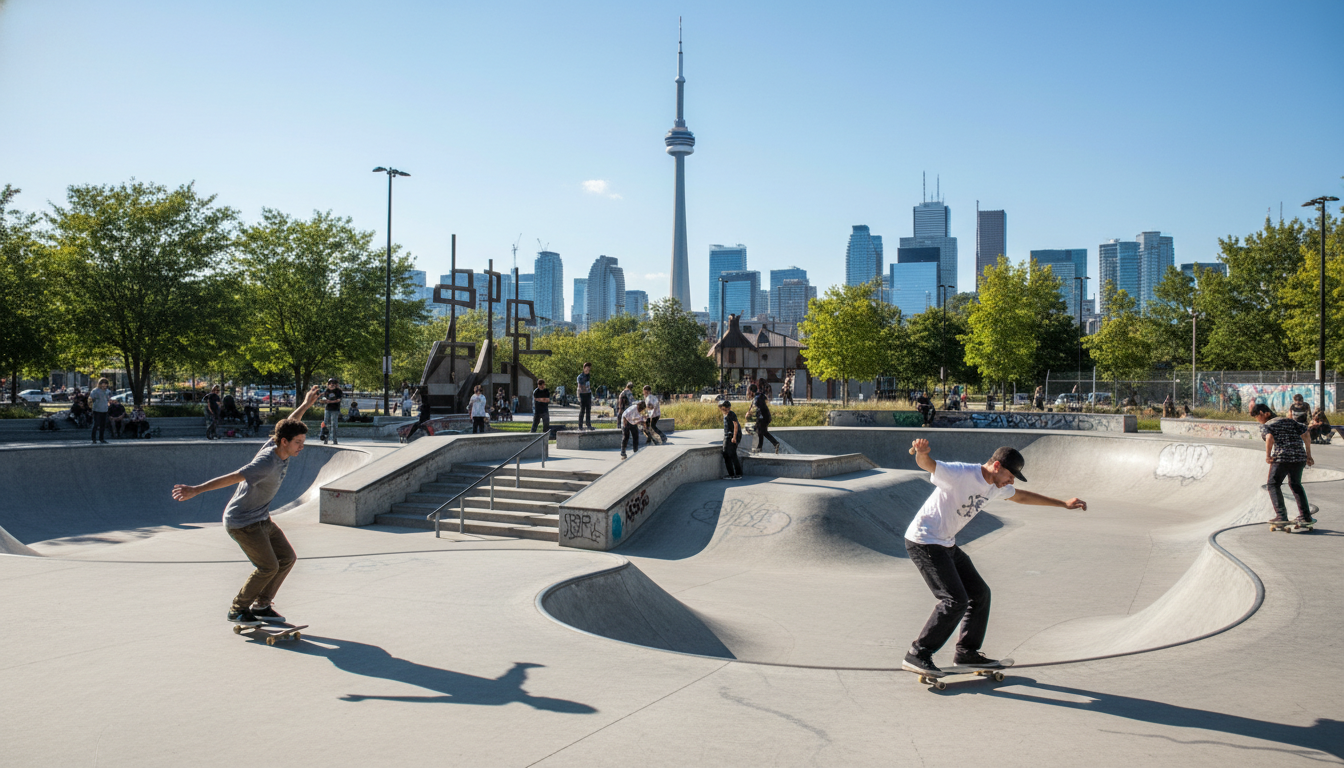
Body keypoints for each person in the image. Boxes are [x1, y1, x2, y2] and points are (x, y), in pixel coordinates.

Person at [901, 440, 1088, 678]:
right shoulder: (961, 473)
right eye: (1010, 476)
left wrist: (1062, 504)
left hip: (946, 543)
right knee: (955, 600)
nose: (1011, 482)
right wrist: (922, 453)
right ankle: (918, 653)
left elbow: (1021, 497)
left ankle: (966, 653)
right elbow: (928, 465)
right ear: (997, 466)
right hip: (924, 541)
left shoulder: (996, 486)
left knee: (980, 594)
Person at [172, 385, 323, 626]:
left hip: (261, 518)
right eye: (298, 443)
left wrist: (305, 405)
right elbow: (234, 476)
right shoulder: (266, 462)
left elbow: (289, 424)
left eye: (302, 442)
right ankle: (238, 609)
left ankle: (262, 605)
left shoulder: (277, 443)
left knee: (287, 558)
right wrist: (196, 490)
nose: (301, 447)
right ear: (285, 442)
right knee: (268, 566)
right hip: (242, 522)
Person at [1251, 403, 1315, 527]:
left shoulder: (1267, 425)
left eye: (1257, 417)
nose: (1258, 420)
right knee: (1295, 484)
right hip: (1299, 457)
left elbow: (1269, 437)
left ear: (1264, 414)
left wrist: (1268, 455)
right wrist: (1308, 455)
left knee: (1273, 484)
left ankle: (1281, 516)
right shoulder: (1290, 421)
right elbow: (1306, 434)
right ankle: (1306, 517)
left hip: (1282, 457)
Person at [748, 378, 780, 454]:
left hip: (763, 418)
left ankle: (773, 443)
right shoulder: (759, 396)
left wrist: (751, 415)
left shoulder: (756, 398)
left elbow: (756, 409)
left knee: (762, 431)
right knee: (761, 432)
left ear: (751, 392)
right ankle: (764, 446)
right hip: (766, 417)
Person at [718, 400, 743, 479]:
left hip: (732, 436)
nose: (726, 410)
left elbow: (736, 425)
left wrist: (734, 437)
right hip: (729, 435)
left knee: (728, 453)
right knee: (731, 454)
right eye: (724, 409)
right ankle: (735, 474)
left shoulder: (731, 414)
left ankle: (734, 474)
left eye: (727, 409)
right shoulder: (725, 414)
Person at [319, 378, 343, 445]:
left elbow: (338, 400)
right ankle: (325, 438)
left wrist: (331, 401)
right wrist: (323, 401)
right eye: (330, 383)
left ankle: (334, 439)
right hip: (328, 409)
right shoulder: (327, 391)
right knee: (325, 423)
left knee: (334, 424)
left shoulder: (338, 391)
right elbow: (325, 398)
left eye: (333, 383)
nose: (332, 384)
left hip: (335, 409)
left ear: (336, 384)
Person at [88, 378, 112, 444]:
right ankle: (93, 438)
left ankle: (101, 438)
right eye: (103, 384)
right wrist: (91, 405)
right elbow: (91, 398)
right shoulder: (95, 391)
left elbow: (109, 399)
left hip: (104, 409)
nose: (104, 386)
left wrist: (109, 402)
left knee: (103, 425)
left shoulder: (107, 391)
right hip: (97, 409)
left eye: (106, 384)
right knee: (96, 424)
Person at [576, 363, 594, 431]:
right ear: (584, 368)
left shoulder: (588, 376)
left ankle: (588, 424)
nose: (588, 370)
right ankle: (580, 426)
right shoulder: (580, 376)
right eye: (587, 368)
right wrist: (584, 389)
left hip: (588, 394)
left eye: (589, 368)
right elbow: (580, 386)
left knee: (588, 410)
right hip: (582, 394)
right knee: (582, 410)